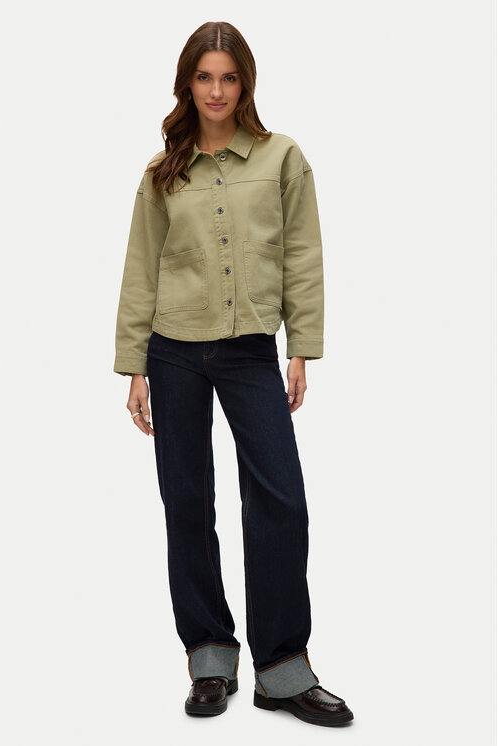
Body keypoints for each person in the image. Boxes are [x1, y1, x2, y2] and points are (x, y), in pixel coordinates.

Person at [113, 21, 354, 727]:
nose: (216, 91)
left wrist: (301, 347)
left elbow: (303, 252)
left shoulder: (283, 158)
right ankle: (210, 659)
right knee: (187, 503)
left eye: (228, 77)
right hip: (173, 352)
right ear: (187, 84)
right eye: (204, 77)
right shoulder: (163, 172)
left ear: (245, 83)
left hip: (251, 351)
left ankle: (282, 670)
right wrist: (134, 366)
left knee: (281, 501)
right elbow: (141, 268)